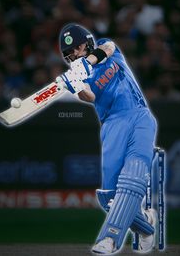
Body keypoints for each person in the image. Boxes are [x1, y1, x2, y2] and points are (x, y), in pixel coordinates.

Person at [58, 23, 158, 254]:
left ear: (89, 43)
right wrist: (75, 85)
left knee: (133, 175)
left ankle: (109, 239)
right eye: (69, 54)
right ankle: (146, 226)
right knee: (110, 198)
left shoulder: (104, 46)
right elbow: (90, 96)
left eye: (77, 48)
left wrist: (87, 62)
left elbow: (110, 47)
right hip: (112, 125)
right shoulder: (83, 77)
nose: (74, 54)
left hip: (139, 116)